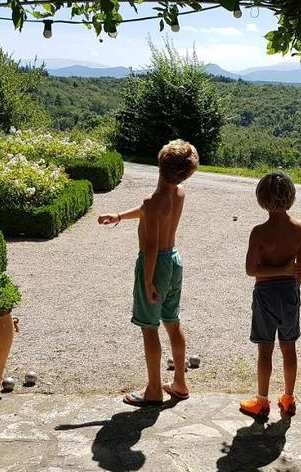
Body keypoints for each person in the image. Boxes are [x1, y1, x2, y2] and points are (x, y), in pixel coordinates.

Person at [98, 139, 199, 407]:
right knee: (173, 322)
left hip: (155, 265)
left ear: (160, 165)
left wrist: (147, 281)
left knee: (149, 328)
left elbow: (152, 244)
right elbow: (149, 212)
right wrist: (119, 216)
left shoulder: (153, 201)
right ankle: (180, 383)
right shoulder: (178, 193)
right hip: (174, 260)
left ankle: (154, 390)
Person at [238, 172, 301, 419]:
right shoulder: (299, 229)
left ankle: (262, 401)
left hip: (265, 293)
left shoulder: (259, 232)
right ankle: (288, 398)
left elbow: (251, 270)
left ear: (261, 199)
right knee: (289, 347)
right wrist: (293, 286)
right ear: (291, 196)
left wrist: (279, 272)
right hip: (289, 292)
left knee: (265, 349)